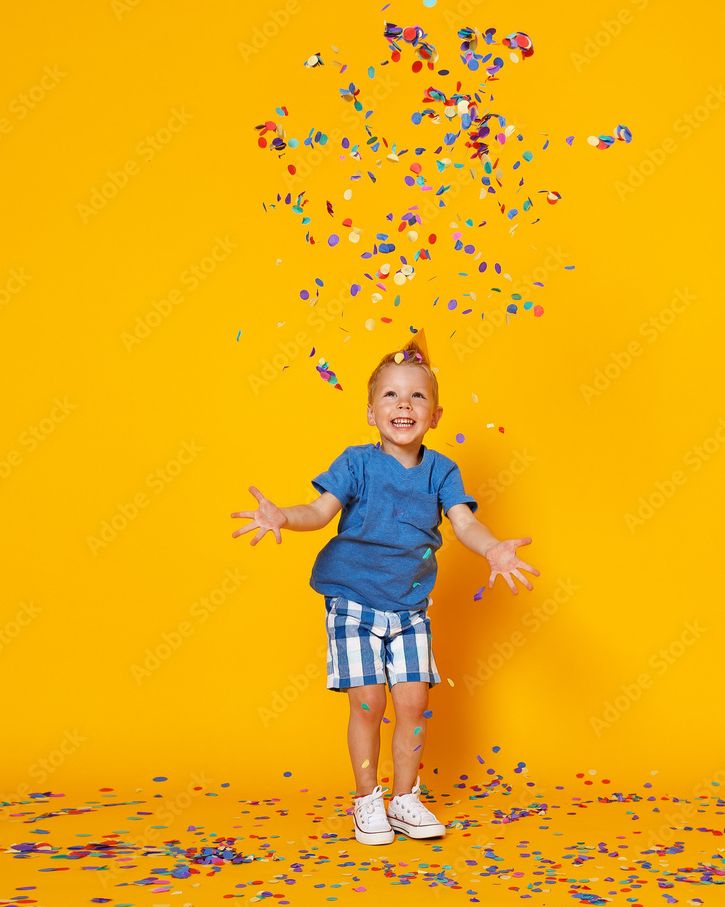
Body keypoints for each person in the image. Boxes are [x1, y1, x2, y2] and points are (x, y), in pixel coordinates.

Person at [230, 331, 538, 845]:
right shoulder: (356, 462)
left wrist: (492, 548)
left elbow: (464, 524)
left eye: (418, 395)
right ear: (371, 412)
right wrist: (282, 514)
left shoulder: (442, 471)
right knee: (369, 703)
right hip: (352, 602)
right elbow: (320, 512)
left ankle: (406, 798)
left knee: (413, 703)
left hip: (410, 608)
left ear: (435, 415)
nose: (404, 404)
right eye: (390, 395)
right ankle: (367, 799)